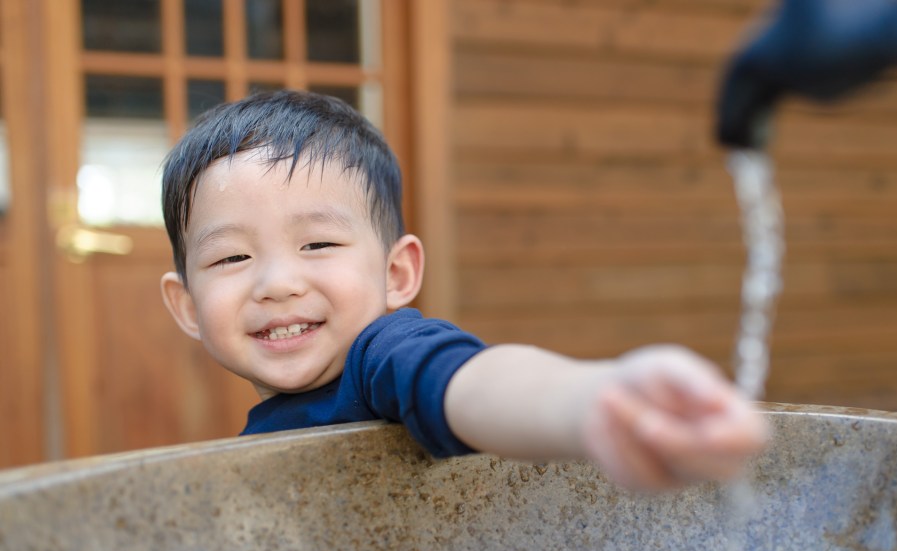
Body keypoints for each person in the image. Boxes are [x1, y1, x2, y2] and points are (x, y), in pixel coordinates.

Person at [159, 90, 766, 492]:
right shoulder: (253, 443)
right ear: (187, 307)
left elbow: (476, 382)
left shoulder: (385, 358)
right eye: (232, 256)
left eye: (317, 245)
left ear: (397, 274)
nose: (278, 283)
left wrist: (590, 401)